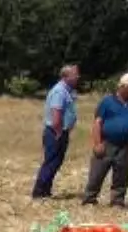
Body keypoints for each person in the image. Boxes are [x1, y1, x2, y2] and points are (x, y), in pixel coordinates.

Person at [82, 73, 128, 207]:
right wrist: (97, 143)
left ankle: (117, 200)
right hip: (107, 142)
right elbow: (97, 122)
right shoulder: (107, 102)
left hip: (125, 144)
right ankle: (90, 198)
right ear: (123, 86)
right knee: (97, 173)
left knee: (122, 174)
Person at [32, 64, 80, 199]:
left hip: (60, 131)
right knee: (51, 161)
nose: (78, 77)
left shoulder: (66, 91)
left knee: (55, 161)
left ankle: (46, 191)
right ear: (66, 76)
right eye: (75, 75)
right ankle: (39, 192)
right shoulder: (60, 91)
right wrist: (59, 132)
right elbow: (56, 113)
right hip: (55, 132)